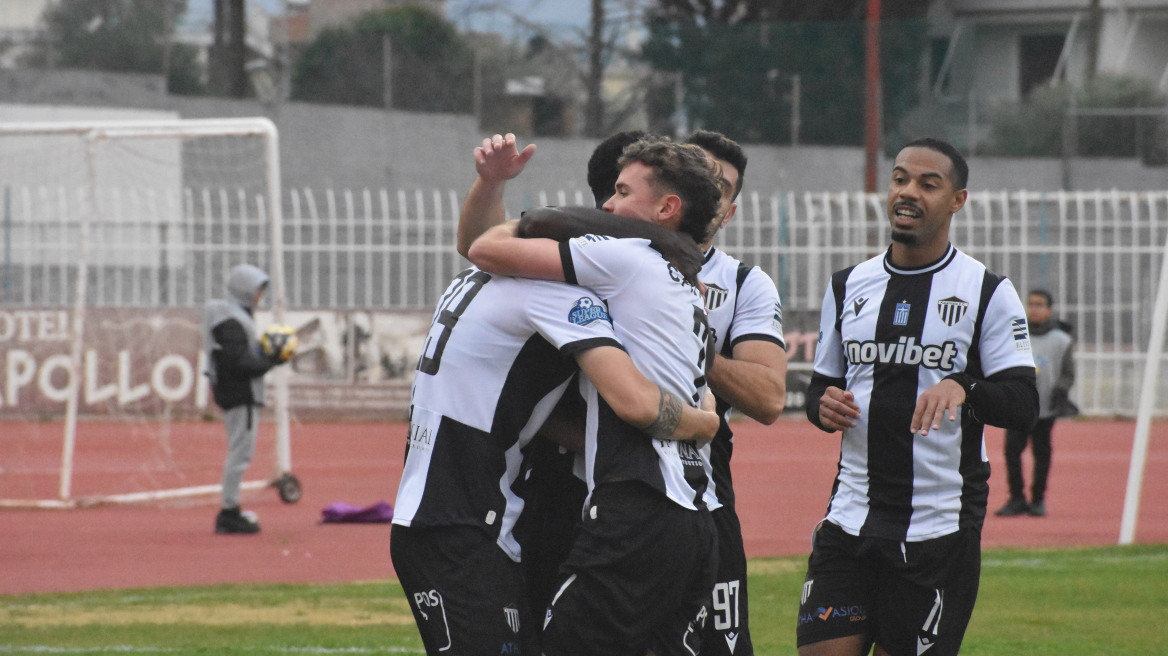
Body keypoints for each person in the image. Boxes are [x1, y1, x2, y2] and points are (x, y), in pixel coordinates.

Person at [391, 137, 720, 656]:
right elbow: (482, 244)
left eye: (620, 194)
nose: (607, 208)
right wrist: (705, 423)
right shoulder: (575, 289)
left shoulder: (543, 280)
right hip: (683, 507)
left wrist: (497, 189)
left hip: (473, 511)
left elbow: (480, 245)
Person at [799, 137, 1039, 656]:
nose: (908, 192)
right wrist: (821, 406)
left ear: (957, 201)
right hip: (850, 516)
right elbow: (820, 387)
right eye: (900, 179)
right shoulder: (847, 286)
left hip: (937, 526)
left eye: (929, 184)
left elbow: (1023, 403)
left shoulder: (987, 291)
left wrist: (964, 385)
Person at [683, 129, 788, 656]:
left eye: (720, 186)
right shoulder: (606, 259)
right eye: (696, 174)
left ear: (730, 212)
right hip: (601, 486)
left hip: (703, 486)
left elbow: (769, 399)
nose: (707, 191)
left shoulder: (745, 284)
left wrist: (687, 342)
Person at [201, 264, 292, 535]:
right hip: (241, 394)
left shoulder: (231, 315)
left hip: (237, 392)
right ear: (244, 289)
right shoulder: (231, 320)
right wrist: (271, 359)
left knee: (240, 452)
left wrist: (265, 355)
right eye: (257, 290)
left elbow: (238, 357)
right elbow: (239, 362)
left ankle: (231, 509)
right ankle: (229, 512)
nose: (259, 296)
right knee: (240, 454)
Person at [996, 289, 1077, 518]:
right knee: (1012, 452)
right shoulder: (1016, 334)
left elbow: (1068, 373)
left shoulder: (1061, 340)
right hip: (1018, 406)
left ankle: (1038, 499)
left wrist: (1061, 390)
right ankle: (1016, 498)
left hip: (1045, 407)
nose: (1034, 309)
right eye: (1030, 304)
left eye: (1040, 304)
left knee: (1041, 453)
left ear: (1049, 310)